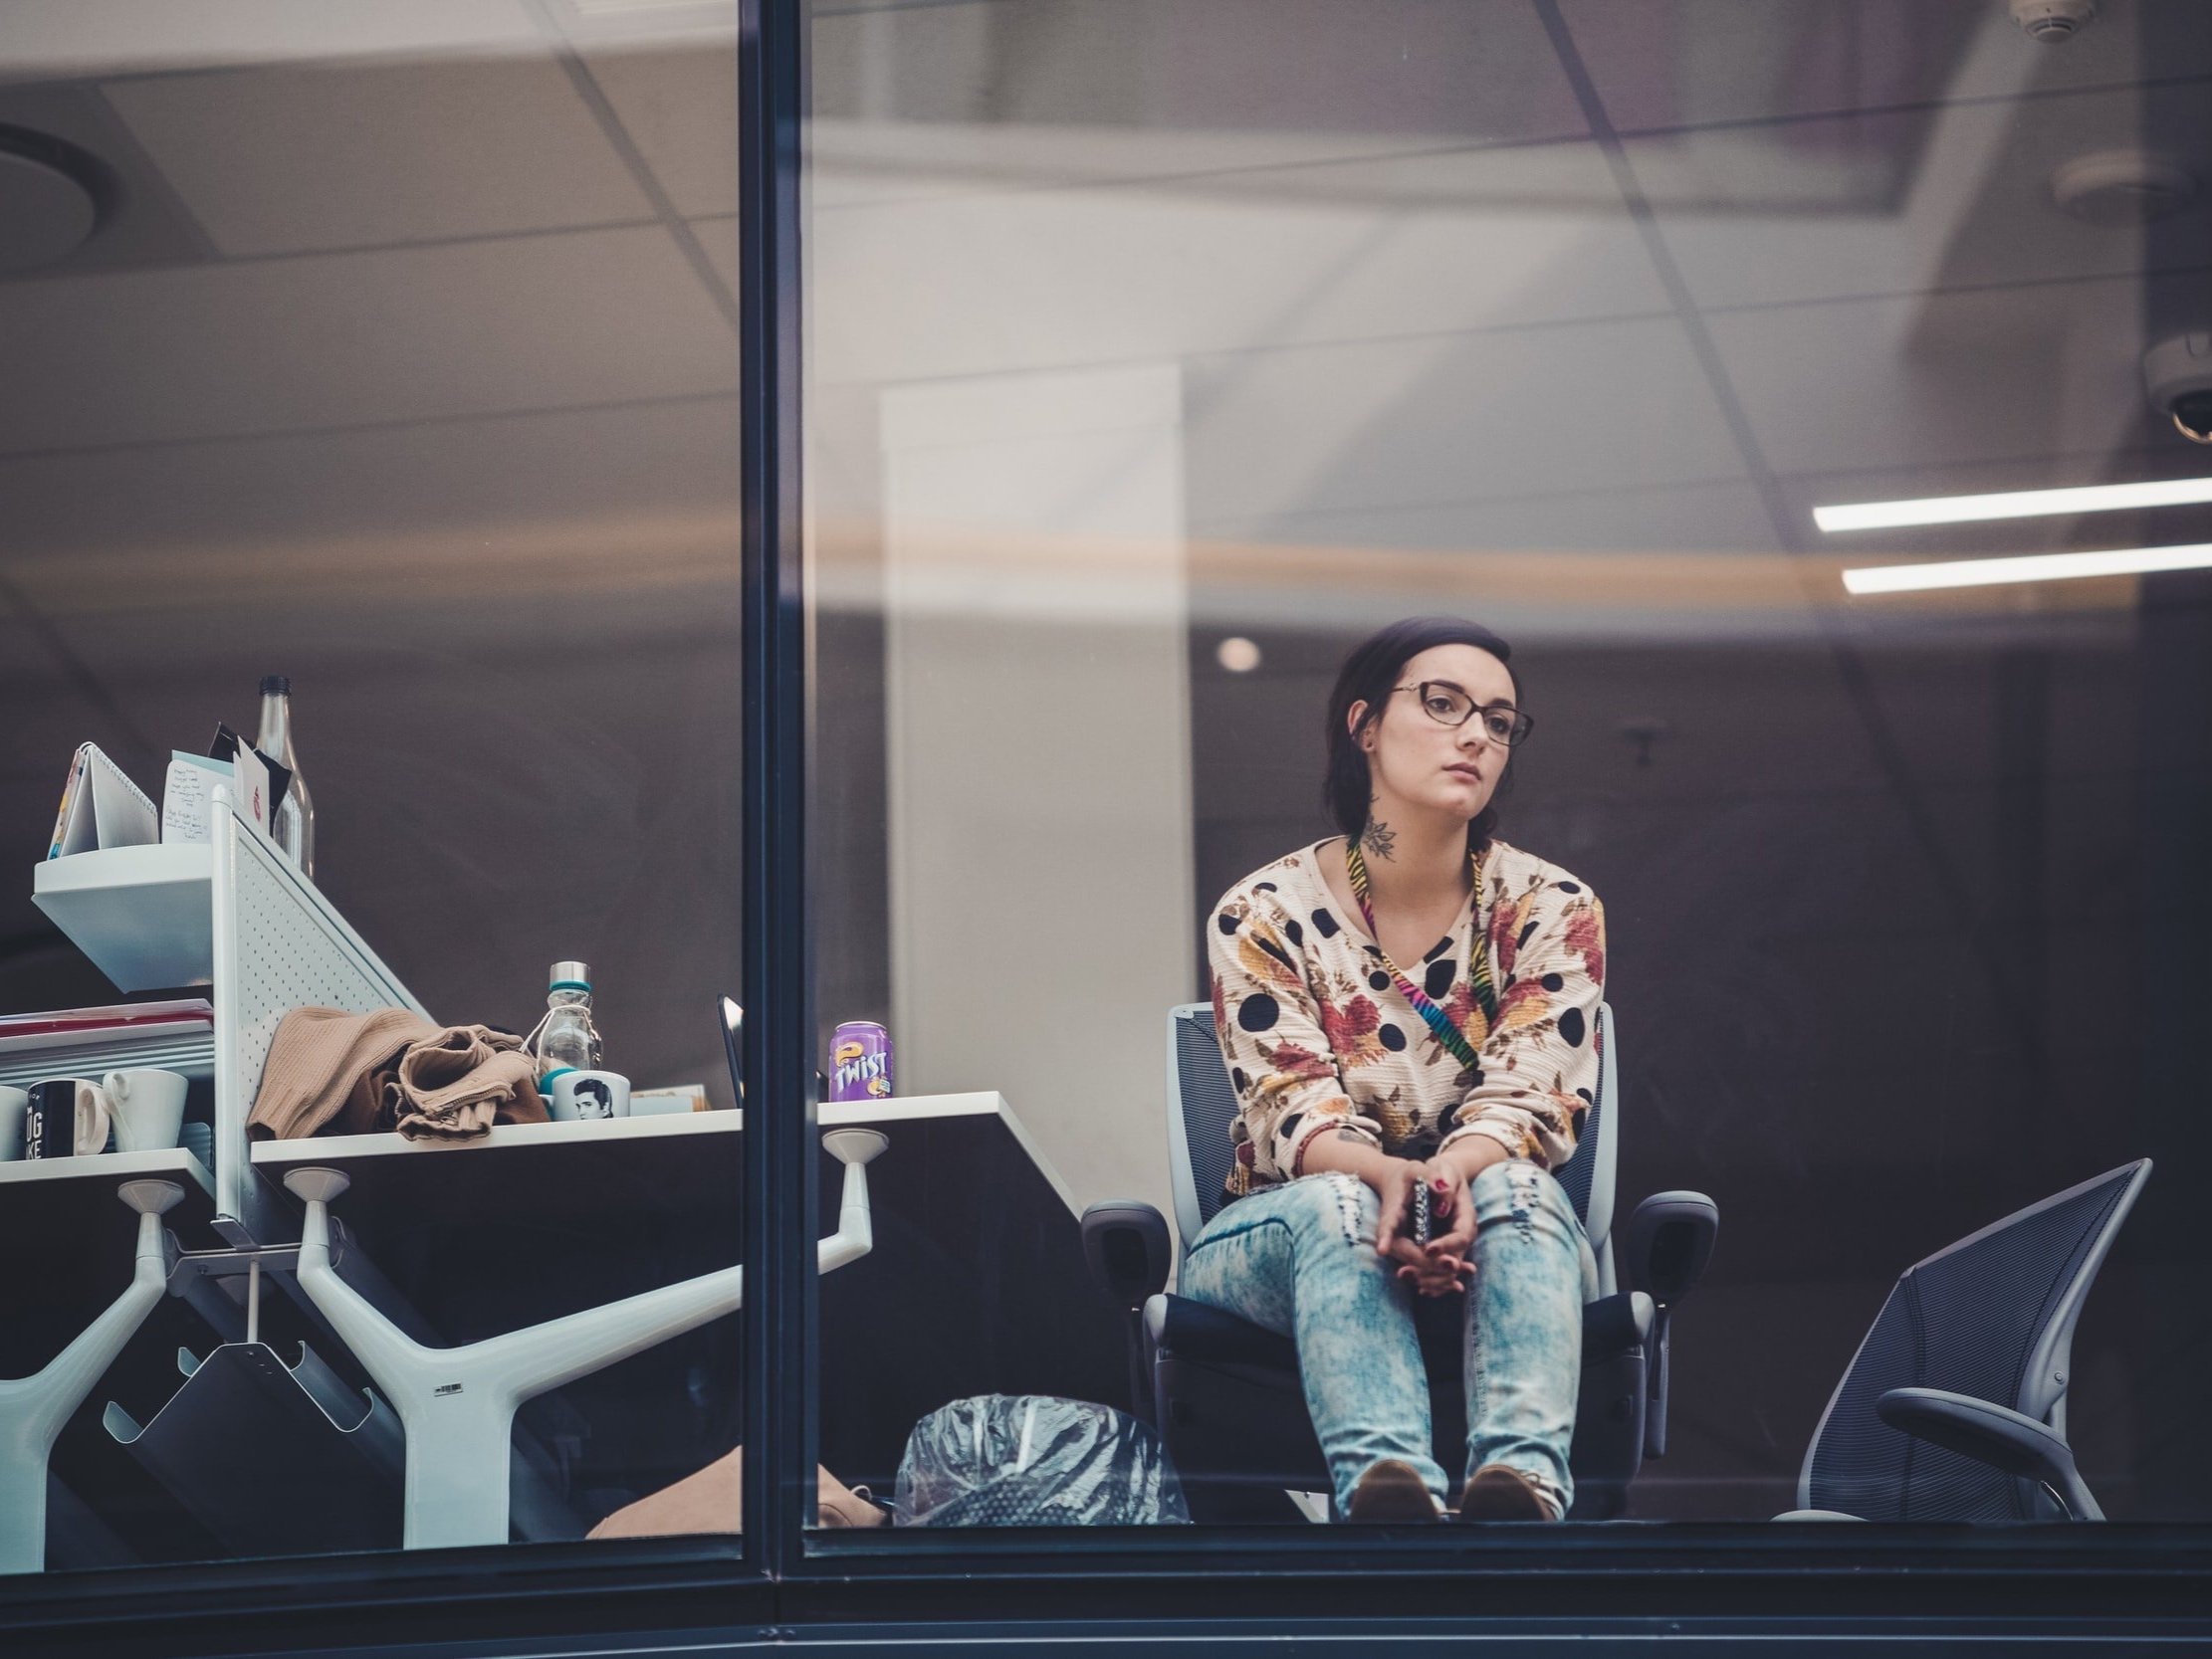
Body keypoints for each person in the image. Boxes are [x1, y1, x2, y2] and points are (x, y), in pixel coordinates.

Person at [1184, 617, 1606, 1523]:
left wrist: (1445, 1180)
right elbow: (1294, 1114)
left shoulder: (1551, 906)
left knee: (1522, 1189)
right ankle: (1389, 1501)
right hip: (1289, 1229)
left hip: (1492, 1220)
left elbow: (1533, 1096)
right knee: (1341, 1204)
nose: (1476, 735)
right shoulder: (1264, 910)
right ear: (1365, 725)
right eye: (1444, 703)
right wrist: (1386, 1182)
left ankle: (1520, 1495)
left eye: (1499, 720)